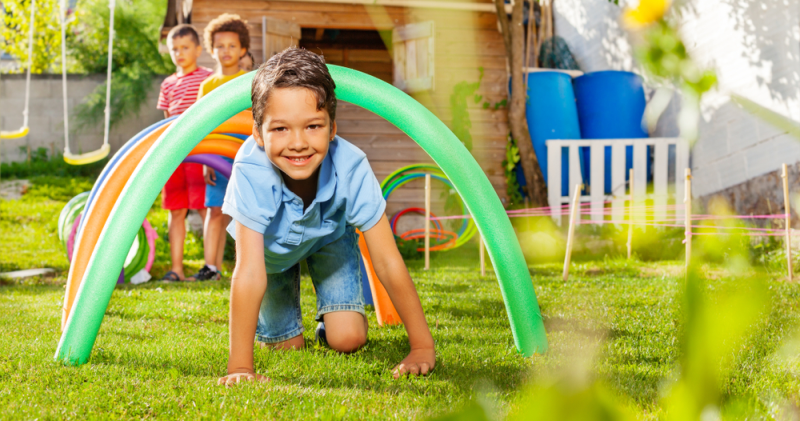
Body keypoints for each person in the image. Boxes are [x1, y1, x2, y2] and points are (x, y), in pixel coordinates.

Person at [217, 48, 436, 385]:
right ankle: (285, 328)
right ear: (258, 133)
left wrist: (421, 346)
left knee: (347, 340)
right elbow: (248, 273)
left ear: (333, 127)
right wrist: (240, 367)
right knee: (287, 347)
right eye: (280, 129)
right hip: (270, 257)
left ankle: (331, 322)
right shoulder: (251, 171)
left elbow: (388, 262)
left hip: (328, 238)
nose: (298, 143)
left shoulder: (351, 166)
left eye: (313, 126)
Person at [187, 14, 250, 281]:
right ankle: (210, 268)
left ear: (243, 49)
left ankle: (247, 266)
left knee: (245, 213)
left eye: (232, 46)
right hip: (216, 157)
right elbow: (202, 125)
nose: (226, 51)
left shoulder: (250, 80)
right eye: (220, 46)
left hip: (245, 157)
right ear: (212, 50)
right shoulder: (208, 85)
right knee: (215, 211)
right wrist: (205, 162)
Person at [156, 24, 213, 282]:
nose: (179, 53)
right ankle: (176, 269)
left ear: (198, 50)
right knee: (176, 211)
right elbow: (166, 121)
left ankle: (209, 267)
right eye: (174, 49)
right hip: (175, 155)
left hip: (201, 152)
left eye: (185, 48)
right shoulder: (167, 84)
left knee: (205, 208)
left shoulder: (208, 78)